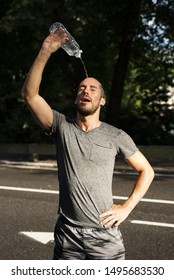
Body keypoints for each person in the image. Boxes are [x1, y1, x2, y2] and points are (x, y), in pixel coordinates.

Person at [21, 27, 154, 260]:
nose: (86, 90)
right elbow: (30, 95)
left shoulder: (116, 135)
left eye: (93, 89)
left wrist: (127, 207)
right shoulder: (62, 127)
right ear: (76, 98)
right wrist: (46, 51)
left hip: (104, 237)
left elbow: (147, 170)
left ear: (101, 100)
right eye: (82, 88)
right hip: (67, 234)